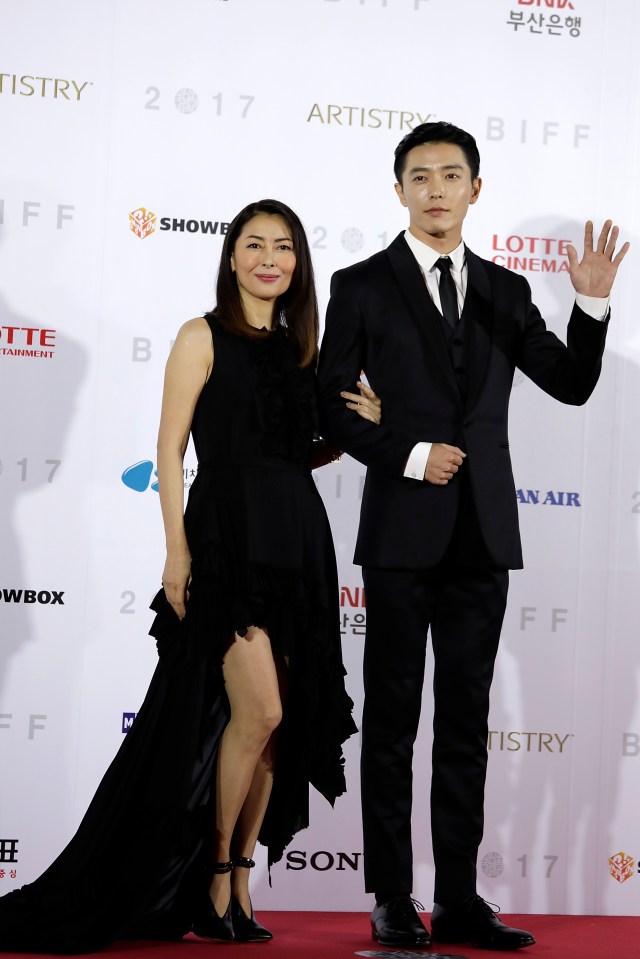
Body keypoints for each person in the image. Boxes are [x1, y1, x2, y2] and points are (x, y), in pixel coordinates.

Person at [0, 198, 381, 953]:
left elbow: (291, 450)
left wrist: (356, 427)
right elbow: (170, 451)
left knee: (278, 730)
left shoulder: (303, 350)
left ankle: (239, 883)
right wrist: (177, 551)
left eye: (283, 247)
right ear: (231, 256)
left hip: (299, 542)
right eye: (254, 244)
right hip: (227, 540)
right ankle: (211, 879)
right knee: (261, 710)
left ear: (298, 263)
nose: (269, 258)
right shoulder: (198, 335)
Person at [317, 121, 629, 951]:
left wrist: (591, 304)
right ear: (399, 191)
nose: (435, 190)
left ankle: (457, 897)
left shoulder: (504, 290)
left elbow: (570, 384)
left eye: (451, 175)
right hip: (400, 535)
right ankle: (391, 895)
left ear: (475, 189)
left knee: (464, 722)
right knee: (391, 721)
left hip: (483, 538)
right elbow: (328, 406)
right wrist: (412, 453)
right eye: (419, 176)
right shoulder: (360, 286)